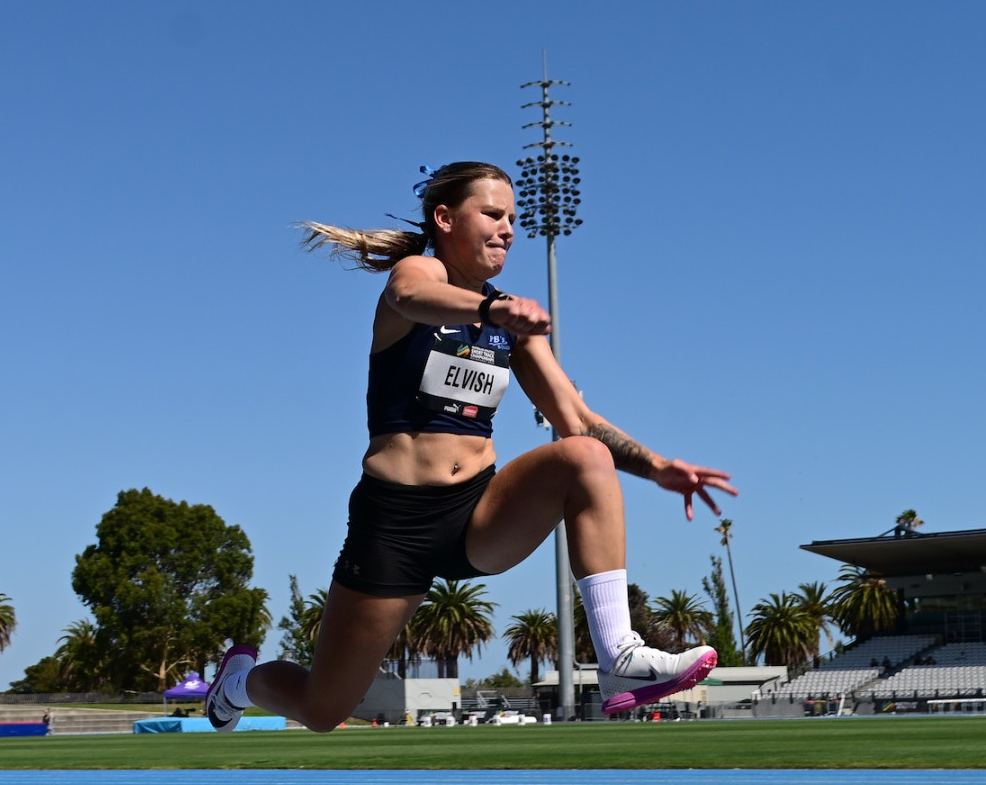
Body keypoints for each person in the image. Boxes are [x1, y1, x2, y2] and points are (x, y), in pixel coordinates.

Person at [204, 162, 736, 733]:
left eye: (513, 219)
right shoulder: (420, 273)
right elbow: (409, 295)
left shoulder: (509, 319)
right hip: (396, 524)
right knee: (323, 709)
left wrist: (658, 467)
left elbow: (577, 420)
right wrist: (489, 310)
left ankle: (619, 657)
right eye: (492, 214)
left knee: (584, 455)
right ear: (445, 219)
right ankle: (238, 683)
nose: (508, 229)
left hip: (477, 514)